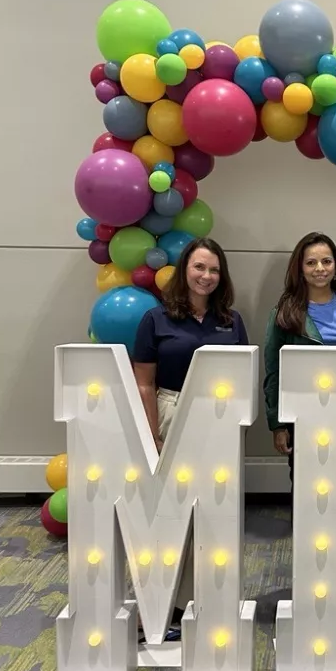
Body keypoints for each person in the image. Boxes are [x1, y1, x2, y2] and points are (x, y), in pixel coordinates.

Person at [133, 237, 249, 631]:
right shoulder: (157, 319)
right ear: (185, 270)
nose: (207, 276)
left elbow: (242, 380)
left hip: (217, 419)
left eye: (214, 270)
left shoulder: (231, 321)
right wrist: (153, 434)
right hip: (171, 411)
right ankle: (161, 607)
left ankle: (201, 602)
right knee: (168, 512)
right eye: (200, 267)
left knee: (212, 513)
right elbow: (144, 383)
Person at [263, 232, 336, 497]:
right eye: (311, 263)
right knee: (307, 487)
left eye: (326, 261)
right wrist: (277, 424)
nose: (320, 269)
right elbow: (274, 370)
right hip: (304, 413)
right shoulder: (284, 312)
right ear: (300, 268)